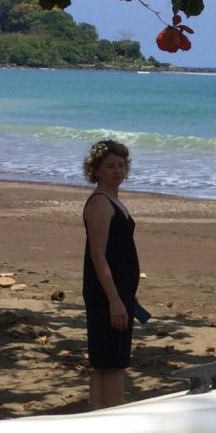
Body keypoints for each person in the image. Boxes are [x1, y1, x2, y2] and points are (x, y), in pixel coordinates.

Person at [82, 138, 140, 409]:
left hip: (119, 291)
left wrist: (128, 297)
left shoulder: (115, 202)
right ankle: (109, 417)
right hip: (107, 293)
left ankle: (103, 415)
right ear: (96, 171)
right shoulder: (100, 203)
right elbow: (98, 255)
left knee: (111, 360)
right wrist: (115, 300)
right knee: (111, 362)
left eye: (121, 165)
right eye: (110, 166)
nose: (117, 171)